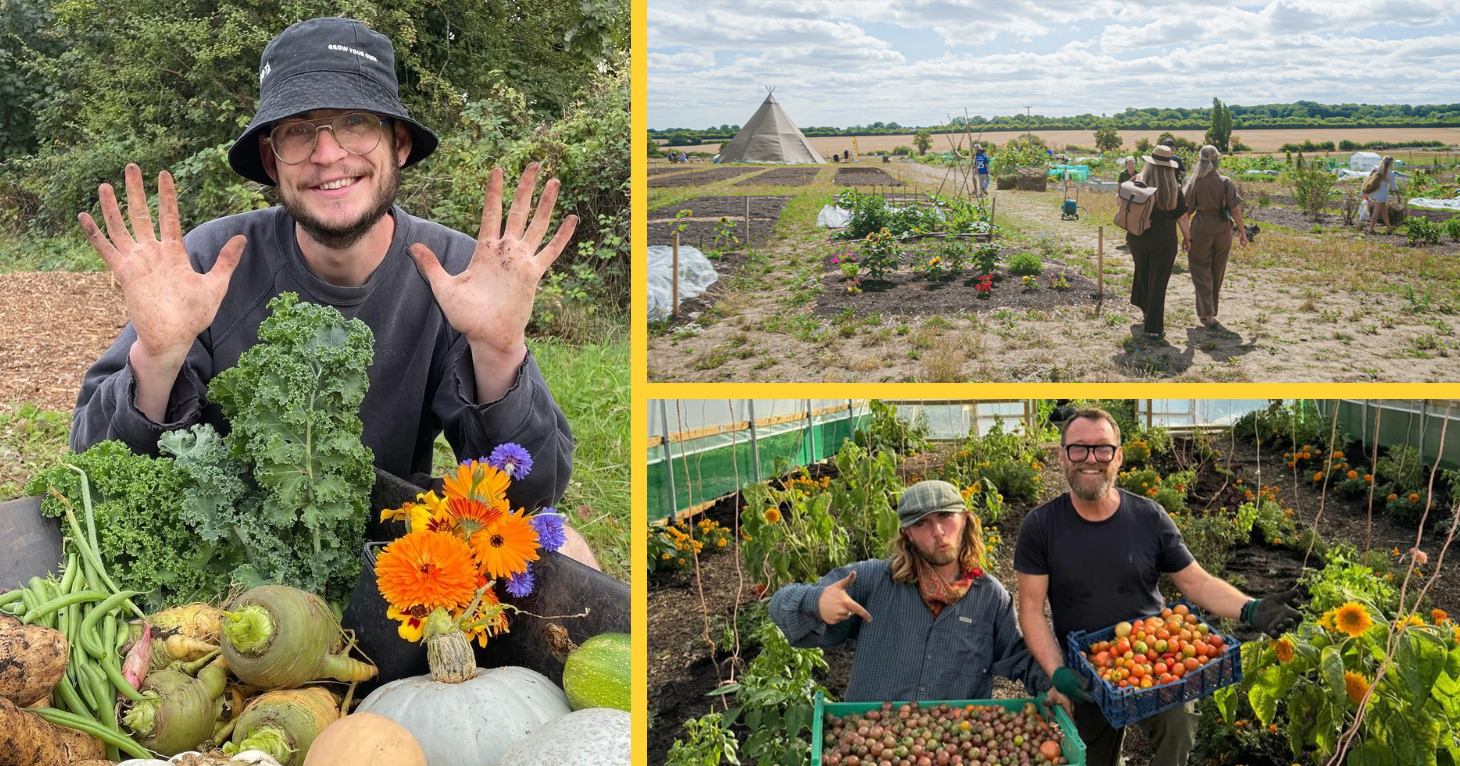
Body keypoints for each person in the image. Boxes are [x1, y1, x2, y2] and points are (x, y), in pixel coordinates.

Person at [68, 18, 597, 562]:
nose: (327, 154)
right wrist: (155, 360)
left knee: (572, 551)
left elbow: (531, 498)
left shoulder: (457, 272)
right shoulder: (211, 265)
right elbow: (97, 474)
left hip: (388, 551)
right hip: (232, 560)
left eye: (354, 122)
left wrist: (500, 351)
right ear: (272, 162)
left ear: (400, 144)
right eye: (298, 130)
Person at [1014, 408, 1303, 766]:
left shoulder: (1148, 517)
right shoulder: (1040, 527)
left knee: (1177, 724)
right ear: (1061, 456)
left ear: (1118, 456)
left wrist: (1251, 608)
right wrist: (1058, 673)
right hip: (1086, 671)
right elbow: (1030, 609)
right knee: (1090, 758)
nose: (1091, 459)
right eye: (1078, 449)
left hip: (1156, 666)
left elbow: (1196, 582)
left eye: (1102, 449)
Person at [769, 480, 1067, 708]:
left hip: (953, 744)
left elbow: (1019, 657)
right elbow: (781, 604)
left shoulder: (989, 598)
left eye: (945, 516)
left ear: (965, 519)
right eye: (922, 523)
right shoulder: (875, 581)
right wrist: (816, 601)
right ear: (907, 534)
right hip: (872, 739)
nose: (938, 531)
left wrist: (1053, 683)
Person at [1125, 144, 1190, 340]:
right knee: (1158, 282)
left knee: (1143, 273)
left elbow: (1121, 202)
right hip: (1164, 237)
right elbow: (1182, 218)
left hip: (1138, 235)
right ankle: (1153, 328)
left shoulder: (1136, 181)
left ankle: (1146, 310)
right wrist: (1188, 238)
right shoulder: (1174, 187)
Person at [1183, 145, 1248, 329]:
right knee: (1217, 272)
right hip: (1223, 230)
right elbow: (1234, 209)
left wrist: (1186, 236)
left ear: (1201, 160)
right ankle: (1209, 311)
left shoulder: (1194, 183)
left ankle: (1208, 313)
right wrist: (1242, 233)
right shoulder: (1225, 181)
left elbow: (1186, 214)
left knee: (1200, 271)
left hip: (1201, 229)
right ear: (1217, 160)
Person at [1364, 155, 1400, 235]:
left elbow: (1369, 178)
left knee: (1384, 211)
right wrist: (1398, 196)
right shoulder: (1389, 174)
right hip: (1381, 195)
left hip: (1374, 193)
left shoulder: (1375, 169)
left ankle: (1389, 228)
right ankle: (1370, 229)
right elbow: (1394, 187)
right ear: (1390, 164)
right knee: (1376, 212)